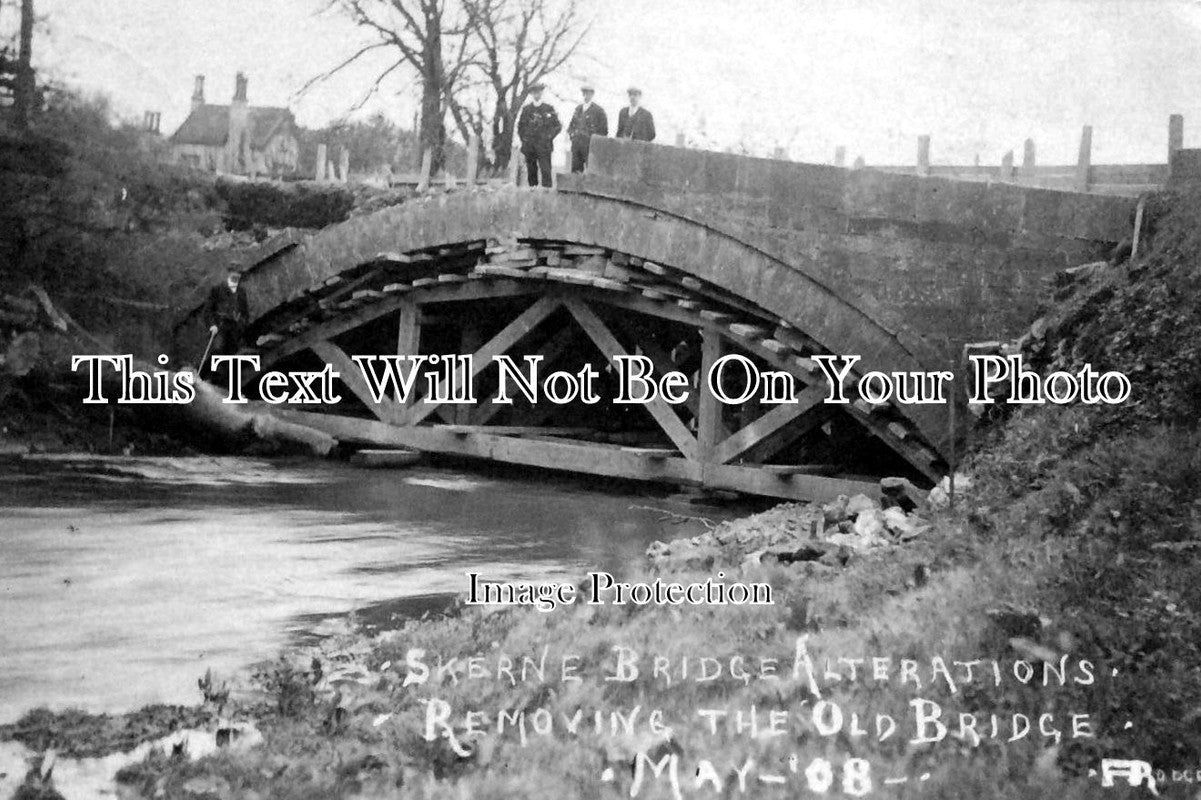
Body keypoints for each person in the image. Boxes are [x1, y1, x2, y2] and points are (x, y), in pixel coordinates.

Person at [202, 268, 250, 377]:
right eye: (234, 272)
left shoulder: (241, 291)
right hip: (221, 325)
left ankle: (226, 380)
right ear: (229, 273)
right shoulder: (217, 289)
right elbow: (208, 310)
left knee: (233, 355)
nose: (236, 275)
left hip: (235, 327)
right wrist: (212, 325)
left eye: (238, 273)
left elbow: (245, 312)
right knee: (217, 350)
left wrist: (242, 323)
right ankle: (207, 376)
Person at [516, 82, 562, 187]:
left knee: (546, 169)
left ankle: (546, 191)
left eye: (539, 92)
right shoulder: (526, 109)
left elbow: (558, 126)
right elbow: (520, 127)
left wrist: (549, 137)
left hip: (544, 145)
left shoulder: (549, 108)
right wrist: (525, 139)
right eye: (534, 92)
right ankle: (533, 189)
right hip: (530, 145)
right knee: (531, 169)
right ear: (531, 93)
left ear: (542, 93)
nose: (537, 94)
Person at [567, 84, 608, 173]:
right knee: (576, 171)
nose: (586, 95)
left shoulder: (599, 110)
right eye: (584, 93)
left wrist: (594, 140)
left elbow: (604, 130)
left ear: (592, 95)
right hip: (577, 145)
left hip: (590, 146)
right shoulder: (578, 109)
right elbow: (571, 126)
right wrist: (572, 135)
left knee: (592, 171)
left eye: (589, 93)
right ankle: (576, 187)